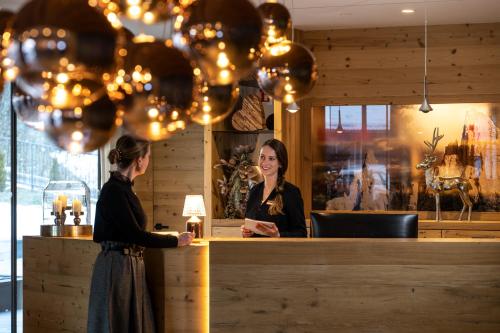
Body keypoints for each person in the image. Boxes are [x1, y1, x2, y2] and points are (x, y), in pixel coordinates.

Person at [87, 134, 194, 333]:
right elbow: (135, 235)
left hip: (128, 266)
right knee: (115, 325)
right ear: (139, 160)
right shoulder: (114, 191)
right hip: (116, 267)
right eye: (148, 156)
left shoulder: (124, 189)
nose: (148, 161)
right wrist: (175, 241)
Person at [241, 138, 307, 237]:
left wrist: (278, 235)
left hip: (279, 251)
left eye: (271, 158)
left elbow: (301, 234)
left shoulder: (291, 192)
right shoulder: (254, 191)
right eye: (262, 157)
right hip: (254, 251)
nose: (264, 162)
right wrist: (247, 232)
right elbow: (250, 225)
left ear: (280, 163)